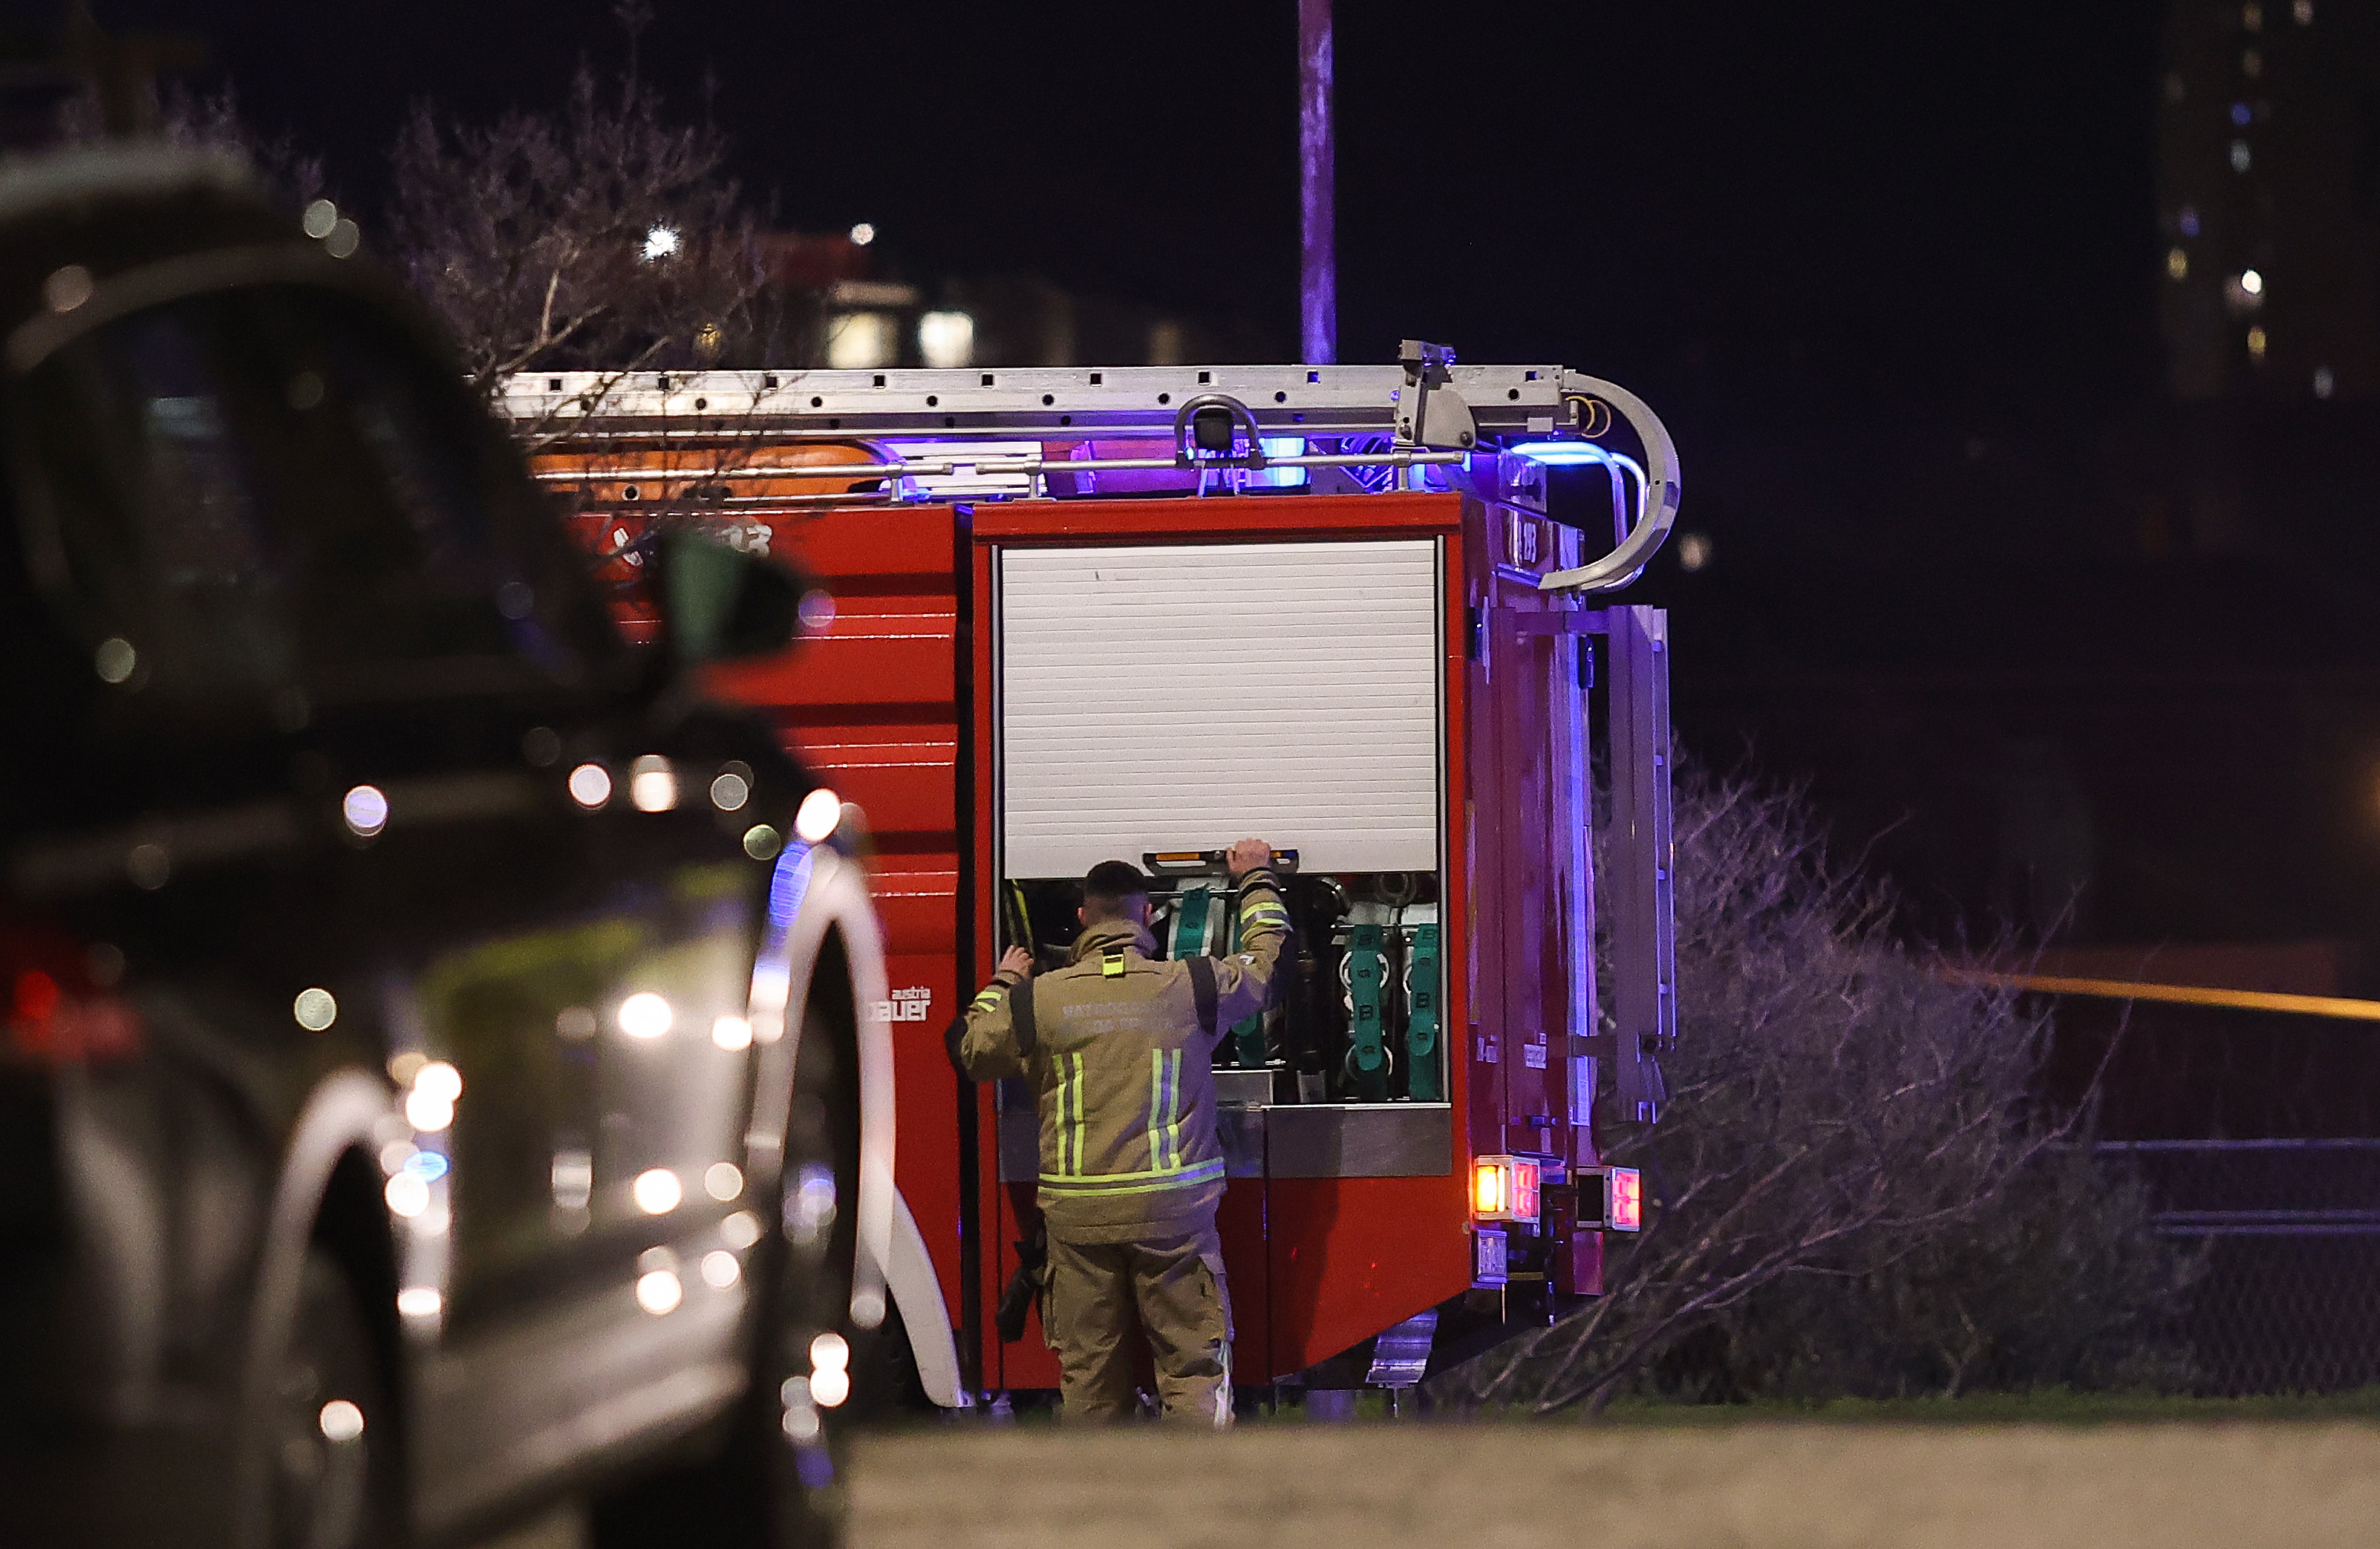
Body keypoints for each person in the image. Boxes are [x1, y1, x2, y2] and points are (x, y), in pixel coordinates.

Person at [951, 840, 1288, 1425]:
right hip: (1173, 1216)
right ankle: (1200, 1501)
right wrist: (1255, 878)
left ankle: (1101, 1506)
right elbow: (1262, 965)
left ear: (1083, 917)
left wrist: (1003, 981)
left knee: (1089, 1380)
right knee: (1190, 1370)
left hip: (1077, 1222)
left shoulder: (1040, 999)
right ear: (1148, 915)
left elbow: (970, 1052)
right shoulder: (1191, 986)